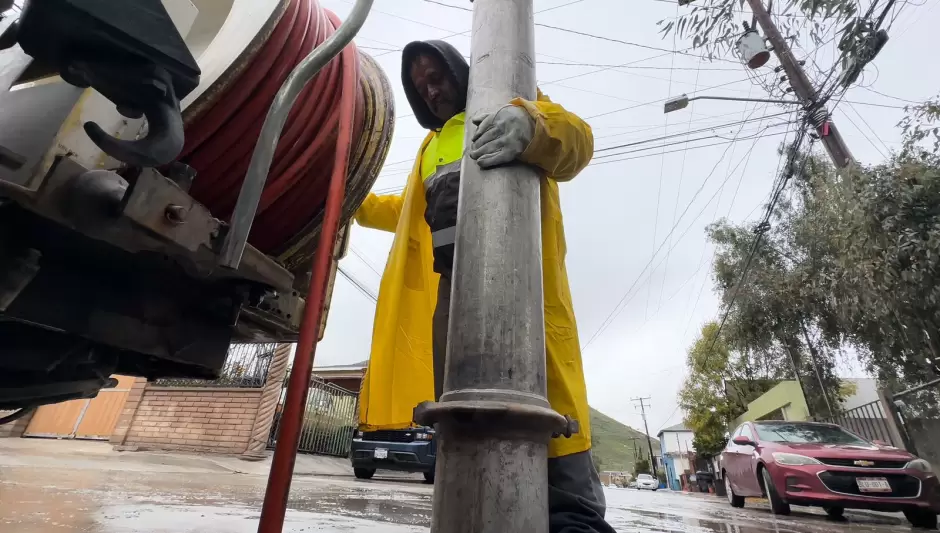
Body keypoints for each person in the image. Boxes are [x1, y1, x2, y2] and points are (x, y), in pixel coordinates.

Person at [354, 39, 613, 533]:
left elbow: (578, 139)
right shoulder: (429, 149)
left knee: (567, 502)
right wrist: (351, 200)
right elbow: (404, 211)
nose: (430, 89)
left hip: (524, 312)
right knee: (473, 487)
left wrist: (532, 127)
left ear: (459, 70)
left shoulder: (506, 100)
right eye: (419, 85)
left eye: (436, 76)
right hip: (458, 322)